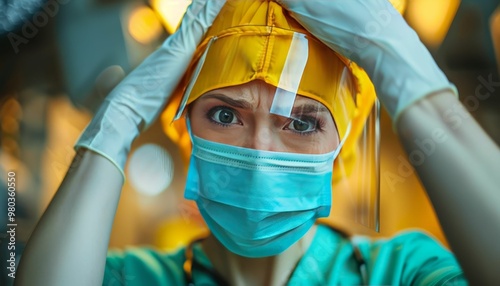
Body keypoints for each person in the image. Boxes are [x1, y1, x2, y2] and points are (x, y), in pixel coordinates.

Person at [15, 0, 500, 285]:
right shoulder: (133, 277)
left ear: (342, 141)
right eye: (225, 115)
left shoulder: (402, 273)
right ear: (185, 127)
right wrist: (115, 124)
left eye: (303, 123)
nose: (260, 155)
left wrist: (396, 63)